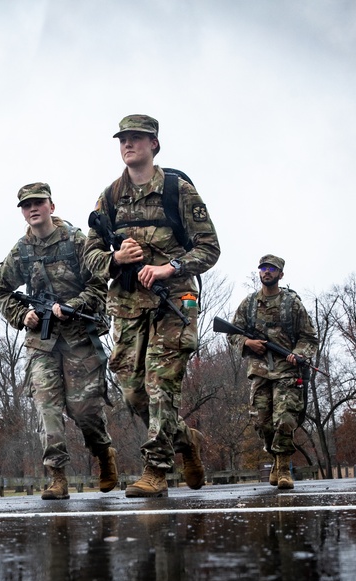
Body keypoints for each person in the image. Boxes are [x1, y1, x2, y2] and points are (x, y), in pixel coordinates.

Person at [84, 115, 221, 498]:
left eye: (137, 139)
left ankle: (156, 470)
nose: (129, 145)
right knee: (133, 393)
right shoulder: (110, 197)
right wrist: (116, 260)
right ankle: (186, 441)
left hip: (174, 301)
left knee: (160, 385)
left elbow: (209, 248)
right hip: (128, 305)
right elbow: (90, 255)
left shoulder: (178, 190)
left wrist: (169, 267)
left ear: (154, 144)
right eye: (123, 139)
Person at [0, 182, 117, 500]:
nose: (32, 209)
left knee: (83, 411)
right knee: (47, 408)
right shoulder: (21, 251)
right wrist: (23, 316)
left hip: (78, 337)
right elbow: (1, 291)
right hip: (42, 342)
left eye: (38, 202)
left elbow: (99, 282)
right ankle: (57, 477)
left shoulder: (76, 240)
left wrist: (74, 305)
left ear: (51, 205)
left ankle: (104, 455)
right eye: (26, 205)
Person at [228, 254, 319, 491]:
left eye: (272, 269)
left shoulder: (292, 304)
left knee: (285, 419)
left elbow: (309, 337)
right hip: (259, 371)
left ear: (281, 274)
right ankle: (274, 455)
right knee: (262, 422)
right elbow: (232, 333)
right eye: (263, 268)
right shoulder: (248, 304)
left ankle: (282, 466)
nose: (266, 271)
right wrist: (248, 343)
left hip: (287, 370)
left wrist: (298, 354)